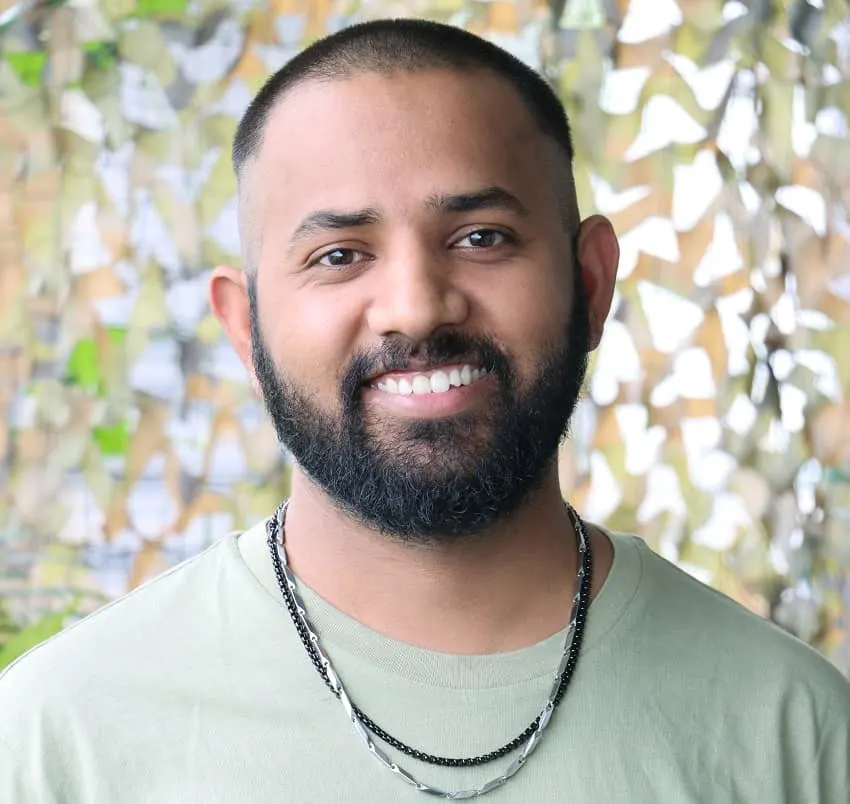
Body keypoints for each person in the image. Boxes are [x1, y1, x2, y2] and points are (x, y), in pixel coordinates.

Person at [1, 18, 848, 803]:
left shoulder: (793, 728)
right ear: (244, 328)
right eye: (339, 255)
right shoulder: (57, 736)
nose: (416, 307)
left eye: (481, 237)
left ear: (591, 282)